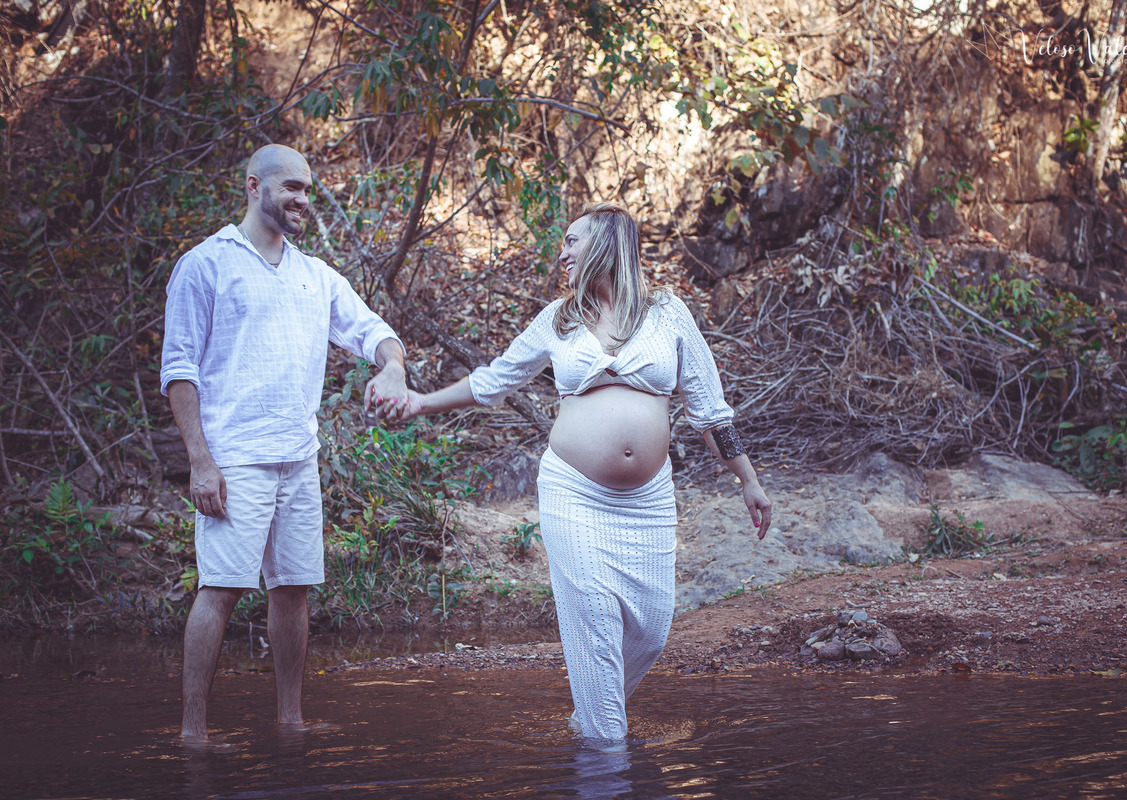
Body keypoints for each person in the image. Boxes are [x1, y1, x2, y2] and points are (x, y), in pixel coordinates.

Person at [390, 202, 771, 742]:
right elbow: (495, 381)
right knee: (594, 620)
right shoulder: (559, 319)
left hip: (648, 501)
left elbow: (709, 410)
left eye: (572, 241)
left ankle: (590, 721)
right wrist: (420, 403)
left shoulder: (668, 313)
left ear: (607, 244)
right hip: (574, 492)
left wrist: (748, 481)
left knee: (652, 630)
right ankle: (604, 756)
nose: (561, 253)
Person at [159, 143, 408, 743]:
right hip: (234, 458)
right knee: (220, 588)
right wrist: (201, 461)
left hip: (299, 458)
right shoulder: (206, 264)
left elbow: (373, 331)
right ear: (254, 186)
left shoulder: (314, 274)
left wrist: (392, 367)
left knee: (293, 588)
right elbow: (178, 368)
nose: (303, 199)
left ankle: (290, 722)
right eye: (291, 187)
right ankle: (194, 733)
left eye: (308, 190)